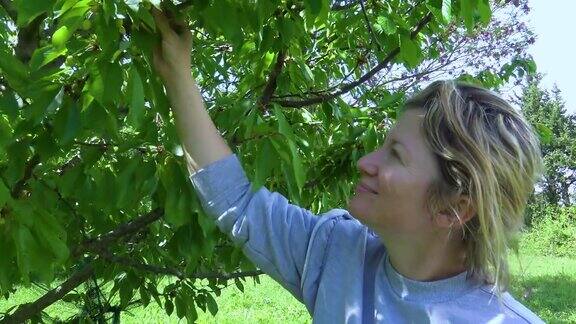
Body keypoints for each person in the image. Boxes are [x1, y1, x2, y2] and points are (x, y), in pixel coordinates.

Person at [151, 9, 545, 324]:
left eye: (396, 154)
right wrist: (176, 72)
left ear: (454, 208)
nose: (364, 162)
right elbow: (235, 199)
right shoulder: (335, 253)